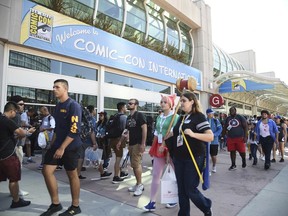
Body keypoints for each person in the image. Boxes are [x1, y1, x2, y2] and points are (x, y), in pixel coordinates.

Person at [166, 90, 213, 216]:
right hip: (179, 158)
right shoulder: (182, 117)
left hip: (193, 157)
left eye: (184, 101)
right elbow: (177, 134)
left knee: (190, 189)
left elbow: (210, 137)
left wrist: (193, 134)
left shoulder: (199, 117)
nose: (181, 103)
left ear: (192, 101)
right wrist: (169, 135)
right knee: (181, 189)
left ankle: (206, 206)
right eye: (180, 101)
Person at [40, 79, 82, 216]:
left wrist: (62, 147)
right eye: (53, 87)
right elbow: (57, 129)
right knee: (47, 170)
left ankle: (75, 206)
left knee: (72, 174)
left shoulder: (73, 105)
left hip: (70, 146)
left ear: (65, 89)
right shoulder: (57, 106)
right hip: (58, 144)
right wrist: (52, 144)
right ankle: (55, 204)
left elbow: (74, 129)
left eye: (57, 87)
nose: (54, 89)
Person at [143, 94, 179, 211]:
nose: (162, 104)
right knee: (155, 175)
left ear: (170, 105)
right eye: (161, 102)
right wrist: (153, 147)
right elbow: (156, 133)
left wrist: (167, 149)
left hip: (171, 147)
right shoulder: (159, 117)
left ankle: (173, 198)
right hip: (159, 147)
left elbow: (173, 134)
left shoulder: (176, 117)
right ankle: (152, 202)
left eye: (165, 102)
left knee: (174, 175)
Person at [0, 101, 35, 208]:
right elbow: (21, 133)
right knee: (13, 179)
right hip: (8, 155)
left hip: (1, 154)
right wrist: (28, 131)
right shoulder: (7, 121)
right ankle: (16, 201)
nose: (16, 114)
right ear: (11, 111)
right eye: (15, 111)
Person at [120, 98, 147, 196]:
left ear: (136, 105)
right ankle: (137, 183)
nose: (128, 105)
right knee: (134, 164)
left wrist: (143, 143)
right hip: (131, 143)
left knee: (136, 164)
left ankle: (140, 185)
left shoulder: (139, 115)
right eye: (128, 103)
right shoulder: (128, 118)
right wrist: (120, 141)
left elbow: (144, 129)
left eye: (131, 103)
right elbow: (126, 131)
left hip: (137, 143)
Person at [10, 95, 29, 196]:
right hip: (16, 146)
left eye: (23, 104)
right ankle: (16, 191)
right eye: (21, 104)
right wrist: (26, 132)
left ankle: (14, 191)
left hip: (13, 146)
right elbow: (16, 133)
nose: (23, 106)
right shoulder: (16, 116)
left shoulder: (11, 116)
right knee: (17, 170)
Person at [223, 106, 248, 170]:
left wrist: (245, 136)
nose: (231, 111)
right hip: (230, 138)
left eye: (233, 110)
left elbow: (245, 127)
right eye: (230, 110)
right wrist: (222, 135)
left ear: (235, 111)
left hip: (240, 138)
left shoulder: (240, 117)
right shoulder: (228, 118)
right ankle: (233, 164)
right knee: (232, 151)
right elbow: (225, 127)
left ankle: (244, 160)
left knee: (241, 151)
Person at [110, 102, 129, 184]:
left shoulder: (114, 116)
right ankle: (116, 176)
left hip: (112, 139)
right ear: (122, 108)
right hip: (119, 140)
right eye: (125, 107)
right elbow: (125, 131)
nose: (126, 108)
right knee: (119, 158)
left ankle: (120, 172)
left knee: (119, 157)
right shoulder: (124, 117)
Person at [77, 105, 97, 179]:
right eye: (95, 109)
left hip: (80, 140)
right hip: (88, 141)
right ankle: (102, 172)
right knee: (96, 157)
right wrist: (94, 143)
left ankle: (77, 173)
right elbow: (92, 132)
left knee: (80, 157)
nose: (95, 111)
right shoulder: (91, 120)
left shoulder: (80, 119)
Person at [94, 111, 112, 179]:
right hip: (99, 140)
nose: (100, 116)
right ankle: (101, 167)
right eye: (99, 115)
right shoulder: (98, 123)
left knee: (106, 153)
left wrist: (104, 135)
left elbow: (108, 132)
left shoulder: (107, 124)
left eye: (101, 115)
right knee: (100, 154)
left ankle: (105, 166)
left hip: (105, 141)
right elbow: (95, 131)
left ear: (104, 116)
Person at [206, 108, 222, 173]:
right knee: (206, 156)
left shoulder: (216, 121)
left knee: (213, 156)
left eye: (213, 113)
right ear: (208, 114)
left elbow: (220, 129)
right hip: (206, 141)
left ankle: (214, 166)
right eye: (211, 113)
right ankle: (207, 170)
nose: (212, 114)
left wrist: (214, 134)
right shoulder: (204, 120)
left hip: (214, 141)